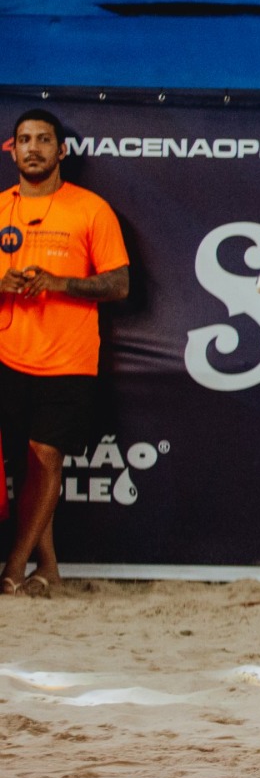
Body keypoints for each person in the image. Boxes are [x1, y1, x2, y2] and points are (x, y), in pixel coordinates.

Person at [1, 108, 129, 597]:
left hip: (67, 361)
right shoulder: (0, 208)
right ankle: (48, 569)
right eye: (24, 140)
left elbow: (119, 284)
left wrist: (60, 283)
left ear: (61, 150)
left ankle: (12, 570)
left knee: (45, 459)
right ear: (12, 150)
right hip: (8, 357)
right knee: (28, 468)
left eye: (43, 140)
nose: (33, 148)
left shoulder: (91, 209)